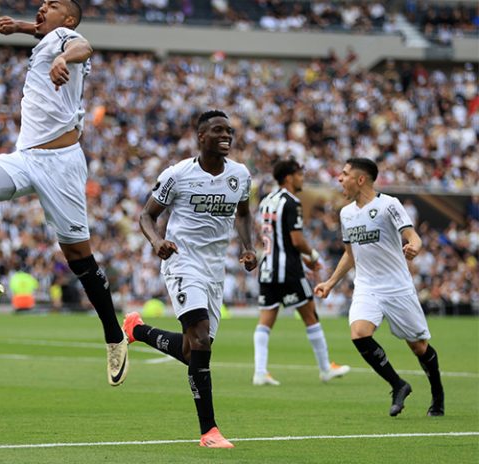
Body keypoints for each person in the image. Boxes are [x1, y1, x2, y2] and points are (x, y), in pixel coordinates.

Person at [0, 0, 128, 386]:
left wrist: (63, 59)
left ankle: (114, 334)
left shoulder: (66, 38)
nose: (43, 7)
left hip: (61, 163)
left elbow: (83, 45)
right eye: (42, 4)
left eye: (53, 4)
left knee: (79, 256)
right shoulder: (47, 36)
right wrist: (23, 28)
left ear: (70, 18)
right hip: (26, 157)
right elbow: (48, 31)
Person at [124, 110, 257, 448]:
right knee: (201, 342)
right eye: (217, 130)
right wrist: (157, 242)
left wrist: (247, 247)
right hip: (183, 262)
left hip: (215, 270)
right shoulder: (178, 174)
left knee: (192, 351)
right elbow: (146, 215)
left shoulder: (240, 175)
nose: (226, 135)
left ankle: (136, 330)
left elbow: (243, 214)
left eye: (229, 130)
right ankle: (209, 431)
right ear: (201, 137)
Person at [314, 158, 444, 417]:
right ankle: (398, 384)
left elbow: (411, 235)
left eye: (345, 174)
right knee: (359, 333)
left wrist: (415, 246)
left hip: (397, 287)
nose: (339, 178)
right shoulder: (346, 213)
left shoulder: (389, 205)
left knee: (419, 346)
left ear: (360, 179)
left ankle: (437, 393)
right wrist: (330, 282)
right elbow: (350, 255)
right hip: (367, 286)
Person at [253, 158, 350, 386]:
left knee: (265, 320)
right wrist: (312, 257)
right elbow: (296, 240)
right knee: (310, 316)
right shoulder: (291, 202)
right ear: (288, 177)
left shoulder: (267, 201)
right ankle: (325, 369)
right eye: (299, 174)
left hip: (267, 267)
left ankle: (259, 372)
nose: (302, 178)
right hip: (288, 270)